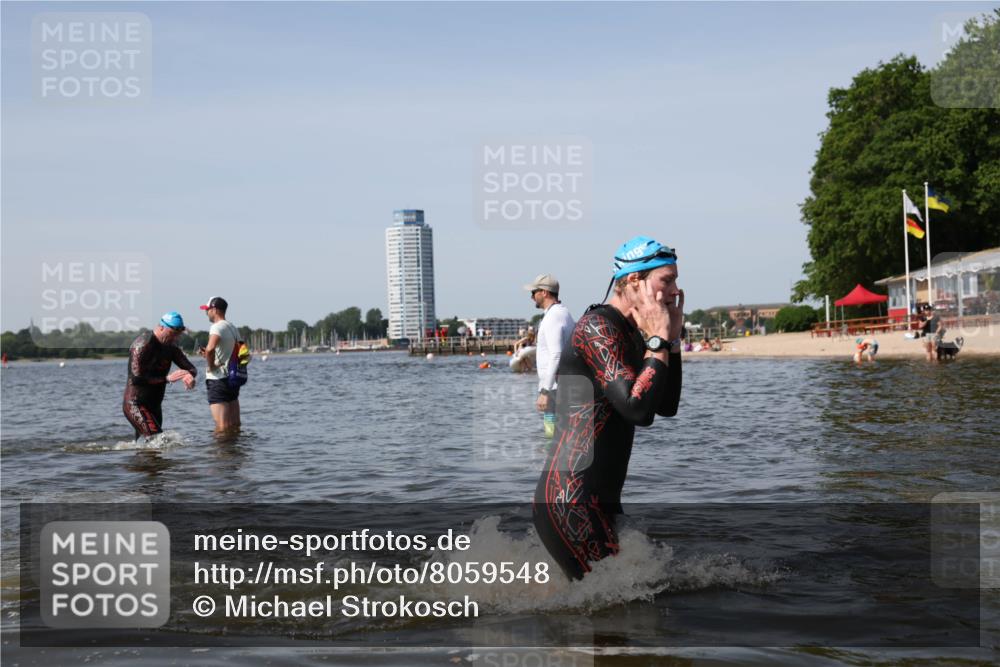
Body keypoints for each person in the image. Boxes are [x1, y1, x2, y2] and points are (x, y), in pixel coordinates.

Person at [533, 236, 683, 580]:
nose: (675, 290)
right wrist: (658, 340)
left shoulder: (633, 333)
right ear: (634, 281)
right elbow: (637, 410)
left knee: (619, 612)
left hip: (601, 499)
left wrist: (670, 342)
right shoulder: (597, 329)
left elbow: (666, 405)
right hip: (570, 500)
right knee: (618, 614)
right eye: (667, 280)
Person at [123, 312, 197, 440]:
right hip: (135, 404)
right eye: (172, 334)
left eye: (178, 335)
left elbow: (191, 368)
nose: (175, 339)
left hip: (155, 406)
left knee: (148, 448)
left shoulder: (171, 347)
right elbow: (136, 378)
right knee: (157, 440)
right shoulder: (143, 344)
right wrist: (167, 379)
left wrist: (189, 375)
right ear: (162, 327)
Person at [524, 274, 575, 439]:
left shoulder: (553, 317)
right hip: (560, 385)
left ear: (544, 292)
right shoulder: (563, 312)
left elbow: (556, 354)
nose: (531, 296)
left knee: (552, 438)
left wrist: (545, 391)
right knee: (559, 437)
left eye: (534, 292)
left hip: (554, 388)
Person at [198, 296, 241, 433]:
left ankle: (221, 453)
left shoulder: (216, 327)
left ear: (214, 309)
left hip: (218, 380)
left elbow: (210, 349)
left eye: (207, 310)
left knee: (222, 427)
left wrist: (211, 366)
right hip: (233, 379)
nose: (206, 313)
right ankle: (235, 452)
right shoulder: (233, 327)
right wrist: (209, 356)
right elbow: (240, 352)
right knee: (234, 424)